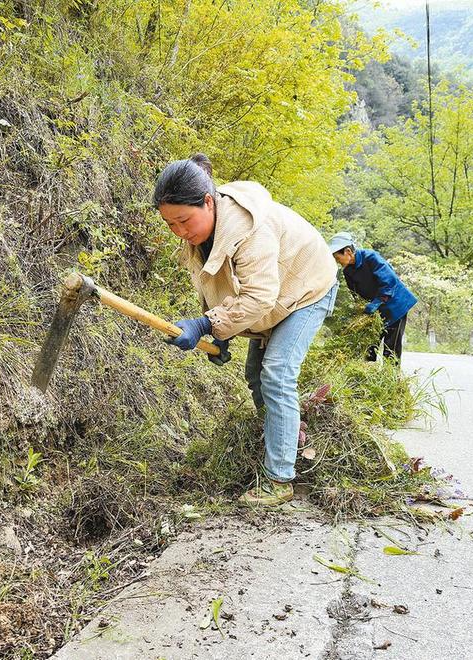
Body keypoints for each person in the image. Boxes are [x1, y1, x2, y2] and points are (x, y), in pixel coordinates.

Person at [153, 154, 338, 506]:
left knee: (277, 373)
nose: (179, 231)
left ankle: (279, 478)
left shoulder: (251, 230)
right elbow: (214, 286)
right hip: (276, 294)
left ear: (208, 202)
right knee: (255, 374)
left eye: (183, 221)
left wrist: (207, 324)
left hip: (308, 288)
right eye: (170, 224)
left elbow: (257, 297)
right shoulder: (202, 230)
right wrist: (218, 333)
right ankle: (284, 436)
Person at [327, 232, 417, 363]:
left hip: (396, 306)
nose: (337, 261)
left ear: (348, 251)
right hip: (375, 311)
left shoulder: (371, 257)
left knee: (390, 348)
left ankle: (391, 380)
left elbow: (389, 282)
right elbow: (356, 294)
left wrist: (376, 303)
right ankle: (368, 375)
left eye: (337, 257)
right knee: (369, 346)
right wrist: (359, 311)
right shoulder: (348, 271)